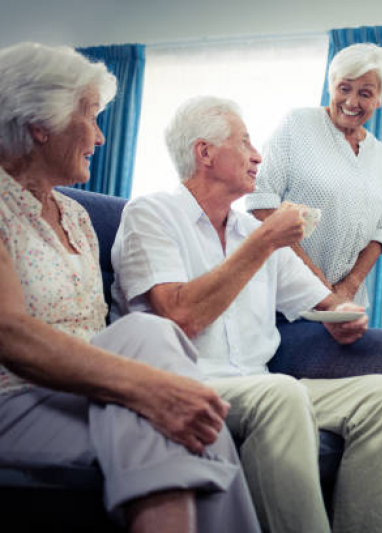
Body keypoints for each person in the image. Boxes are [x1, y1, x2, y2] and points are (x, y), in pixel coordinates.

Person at [111, 96, 382, 533]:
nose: (258, 155)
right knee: (280, 392)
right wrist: (265, 241)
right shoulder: (151, 214)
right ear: (205, 153)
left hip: (259, 386)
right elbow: (180, 316)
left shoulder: (252, 232)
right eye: (245, 142)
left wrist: (345, 312)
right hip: (190, 383)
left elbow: (324, 302)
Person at [0, 43, 259, 532]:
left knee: (191, 424)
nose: (99, 136)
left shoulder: (75, 216)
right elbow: (10, 333)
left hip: (92, 394)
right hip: (16, 397)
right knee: (151, 340)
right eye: (92, 117)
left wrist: (154, 393)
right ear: (41, 124)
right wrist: (150, 386)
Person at [247, 43, 382, 307]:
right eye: (344, 88)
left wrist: (347, 288)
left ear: (379, 99)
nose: (351, 102)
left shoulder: (380, 155)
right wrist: (314, 281)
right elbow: (261, 204)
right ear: (331, 86)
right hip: (285, 295)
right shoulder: (298, 124)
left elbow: (381, 233)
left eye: (365, 93)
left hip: (345, 303)